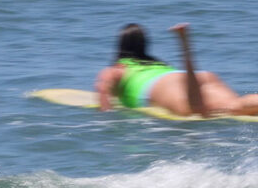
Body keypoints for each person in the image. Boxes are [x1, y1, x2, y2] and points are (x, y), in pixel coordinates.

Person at [95, 23, 258, 117]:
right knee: (236, 104)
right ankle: (184, 45)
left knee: (207, 110)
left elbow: (103, 89)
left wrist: (107, 116)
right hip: (193, 76)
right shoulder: (157, 64)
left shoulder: (117, 69)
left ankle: (184, 43)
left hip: (170, 89)